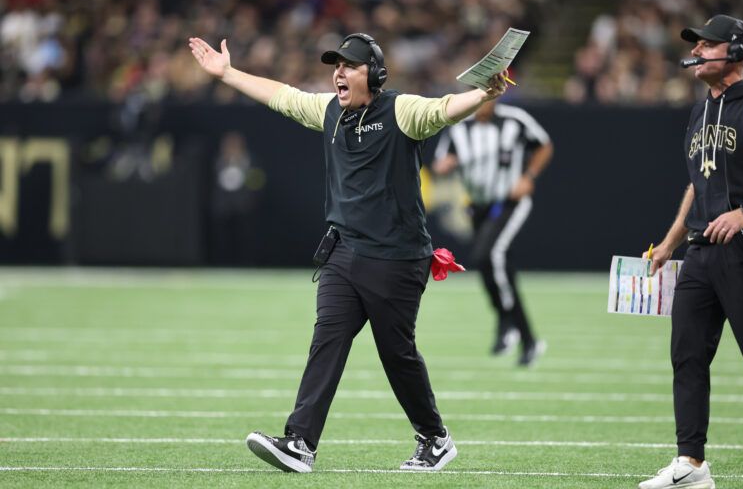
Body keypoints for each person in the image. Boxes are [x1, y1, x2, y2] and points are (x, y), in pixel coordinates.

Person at [189, 32, 510, 473]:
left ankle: (435, 438)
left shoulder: (401, 110)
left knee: (396, 353)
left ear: (374, 74)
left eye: (349, 65)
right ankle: (300, 442)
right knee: (327, 339)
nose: (338, 72)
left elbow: (443, 109)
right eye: (335, 65)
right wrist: (227, 73)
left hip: (398, 257)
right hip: (343, 251)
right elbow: (281, 95)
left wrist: (482, 92)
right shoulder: (328, 111)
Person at [639, 14, 743, 489]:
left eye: (708, 44)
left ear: (734, 52)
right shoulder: (700, 110)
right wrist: (671, 241)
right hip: (699, 253)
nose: (697, 51)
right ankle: (691, 465)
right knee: (687, 354)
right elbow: (699, 182)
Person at [432, 99, 553, 365]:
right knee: (496, 269)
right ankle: (524, 336)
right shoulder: (458, 127)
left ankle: (510, 323)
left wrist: (528, 177)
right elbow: (441, 161)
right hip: (478, 207)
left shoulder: (514, 119)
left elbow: (544, 145)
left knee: (488, 256)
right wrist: (446, 165)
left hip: (509, 203)